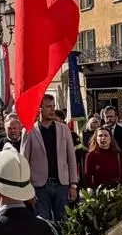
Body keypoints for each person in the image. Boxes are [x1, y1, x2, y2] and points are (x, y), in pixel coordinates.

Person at [20, 94, 79, 222]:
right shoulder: (29, 131)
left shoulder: (64, 129)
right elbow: (24, 162)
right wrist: (27, 188)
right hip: (39, 186)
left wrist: (73, 185)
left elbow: (71, 158)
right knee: (43, 223)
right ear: (39, 109)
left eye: (53, 106)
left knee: (63, 223)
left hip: (61, 184)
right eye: (48, 107)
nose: (52, 110)